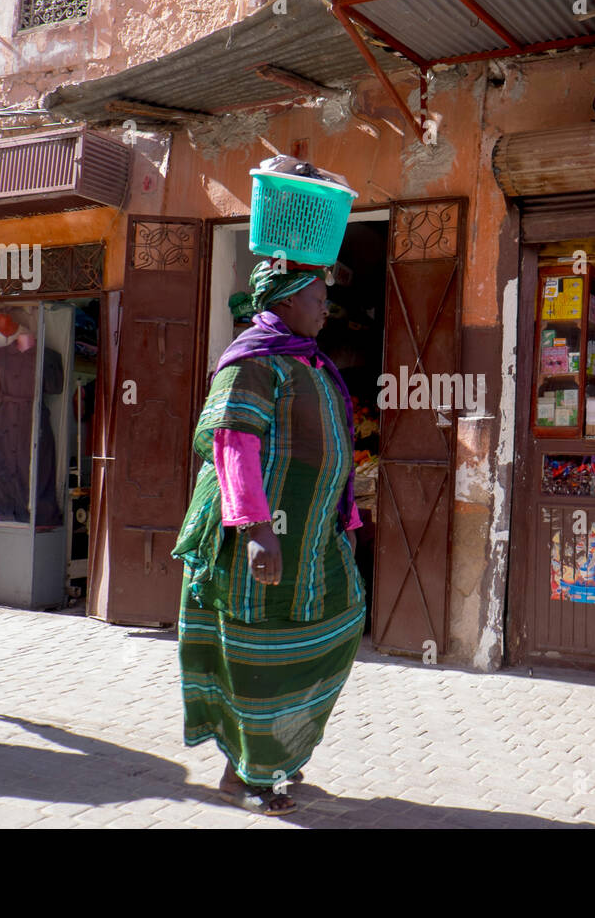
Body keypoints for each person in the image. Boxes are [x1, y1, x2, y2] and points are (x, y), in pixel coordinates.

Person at [173, 259, 365, 816]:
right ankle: (246, 775)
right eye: (318, 298)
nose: (326, 308)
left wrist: (344, 523)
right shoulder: (253, 361)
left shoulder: (310, 362)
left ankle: (277, 753)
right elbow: (234, 442)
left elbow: (337, 456)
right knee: (257, 650)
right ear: (283, 302)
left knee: (340, 622)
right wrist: (258, 530)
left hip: (310, 540)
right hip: (259, 544)